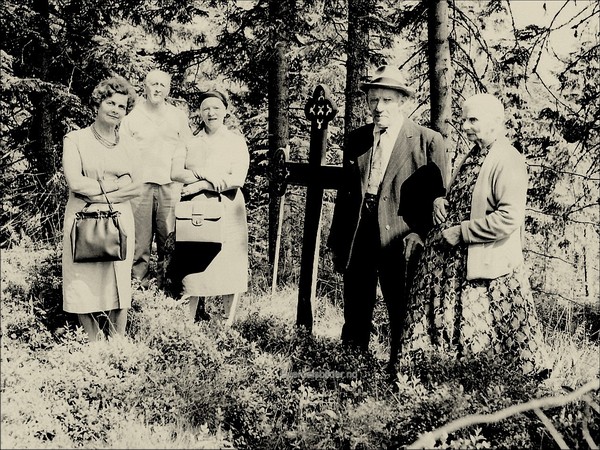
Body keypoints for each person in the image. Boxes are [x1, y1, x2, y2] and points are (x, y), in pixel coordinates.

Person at [401, 93, 546, 375]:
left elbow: (509, 218)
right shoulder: (476, 154)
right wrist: (442, 200)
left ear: (496, 122)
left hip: (484, 269)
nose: (465, 126)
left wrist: (462, 232)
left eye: (473, 120)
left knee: (485, 342)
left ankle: (480, 387)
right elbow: (468, 198)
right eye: (464, 119)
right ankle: (431, 379)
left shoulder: (507, 159)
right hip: (453, 265)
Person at [327, 65, 448, 372]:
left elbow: (439, 199)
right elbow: (346, 196)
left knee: (401, 309)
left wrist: (421, 234)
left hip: (402, 239)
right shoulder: (356, 140)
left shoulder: (427, 141)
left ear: (403, 102)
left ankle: (399, 372)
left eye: (387, 100)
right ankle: (352, 370)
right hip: (359, 235)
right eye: (373, 100)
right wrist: (338, 241)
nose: (378, 107)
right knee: (356, 308)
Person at [62, 76, 141, 341]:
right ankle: (94, 344)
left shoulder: (129, 144)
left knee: (119, 280)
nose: (115, 109)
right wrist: (115, 185)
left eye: (121, 106)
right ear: (98, 103)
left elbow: (136, 186)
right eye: (110, 103)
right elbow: (75, 182)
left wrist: (96, 190)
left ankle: (117, 344)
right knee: (82, 280)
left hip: (119, 220)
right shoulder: (75, 139)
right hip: (82, 218)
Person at [170, 89, 250, 326]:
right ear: (200, 112)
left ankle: (228, 325)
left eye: (216, 108)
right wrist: (203, 173)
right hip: (196, 212)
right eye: (206, 108)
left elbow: (237, 178)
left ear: (225, 111)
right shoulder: (190, 142)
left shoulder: (235, 141)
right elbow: (175, 172)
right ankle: (187, 326)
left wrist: (201, 185)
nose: (211, 113)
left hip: (229, 208)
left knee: (229, 264)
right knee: (192, 267)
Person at [120, 69, 193, 289]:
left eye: (162, 85)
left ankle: (167, 291)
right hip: (139, 188)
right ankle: (138, 289)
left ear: (168, 89)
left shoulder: (178, 117)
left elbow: (189, 148)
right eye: (153, 84)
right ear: (145, 86)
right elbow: (122, 152)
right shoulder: (131, 117)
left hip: (170, 188)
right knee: (139, 242)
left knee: (168, 242)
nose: (157, 89)